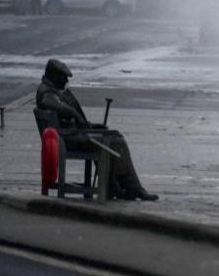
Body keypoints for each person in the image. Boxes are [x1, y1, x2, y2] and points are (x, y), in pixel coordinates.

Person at [36, 59, 158, 201]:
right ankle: (131, 187)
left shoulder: (49, 88)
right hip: (67, 139)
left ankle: (115, 185)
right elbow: (49, 102)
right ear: (55, 76)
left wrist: (90, 126)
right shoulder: (47, 91)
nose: (66, 82)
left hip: (67, 135)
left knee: (114, 136)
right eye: (64, 78)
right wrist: (73, 113)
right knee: (116, 142)